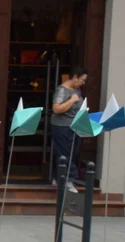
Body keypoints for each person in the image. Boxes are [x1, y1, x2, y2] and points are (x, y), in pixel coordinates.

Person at [51, 65, 88, 193]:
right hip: (62, 126)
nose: (82, 83)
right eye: (82, 80)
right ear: (75, 77)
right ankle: (68, 180)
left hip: (74, 126)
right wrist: (71, 100)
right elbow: (56, 108)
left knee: (72, 152)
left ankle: (58, 177)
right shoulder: (62, 90)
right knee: (65, 152)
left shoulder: (76, 90)